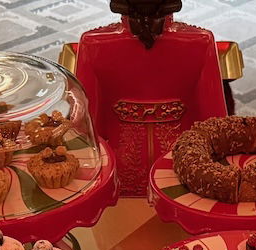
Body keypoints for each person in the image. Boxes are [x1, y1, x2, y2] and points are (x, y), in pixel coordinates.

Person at [75, 0, 227, 196]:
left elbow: (85, 131)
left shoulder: (93, 44)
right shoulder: (201, 42)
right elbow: (216, 126)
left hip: (116, 175)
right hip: (184, 173)